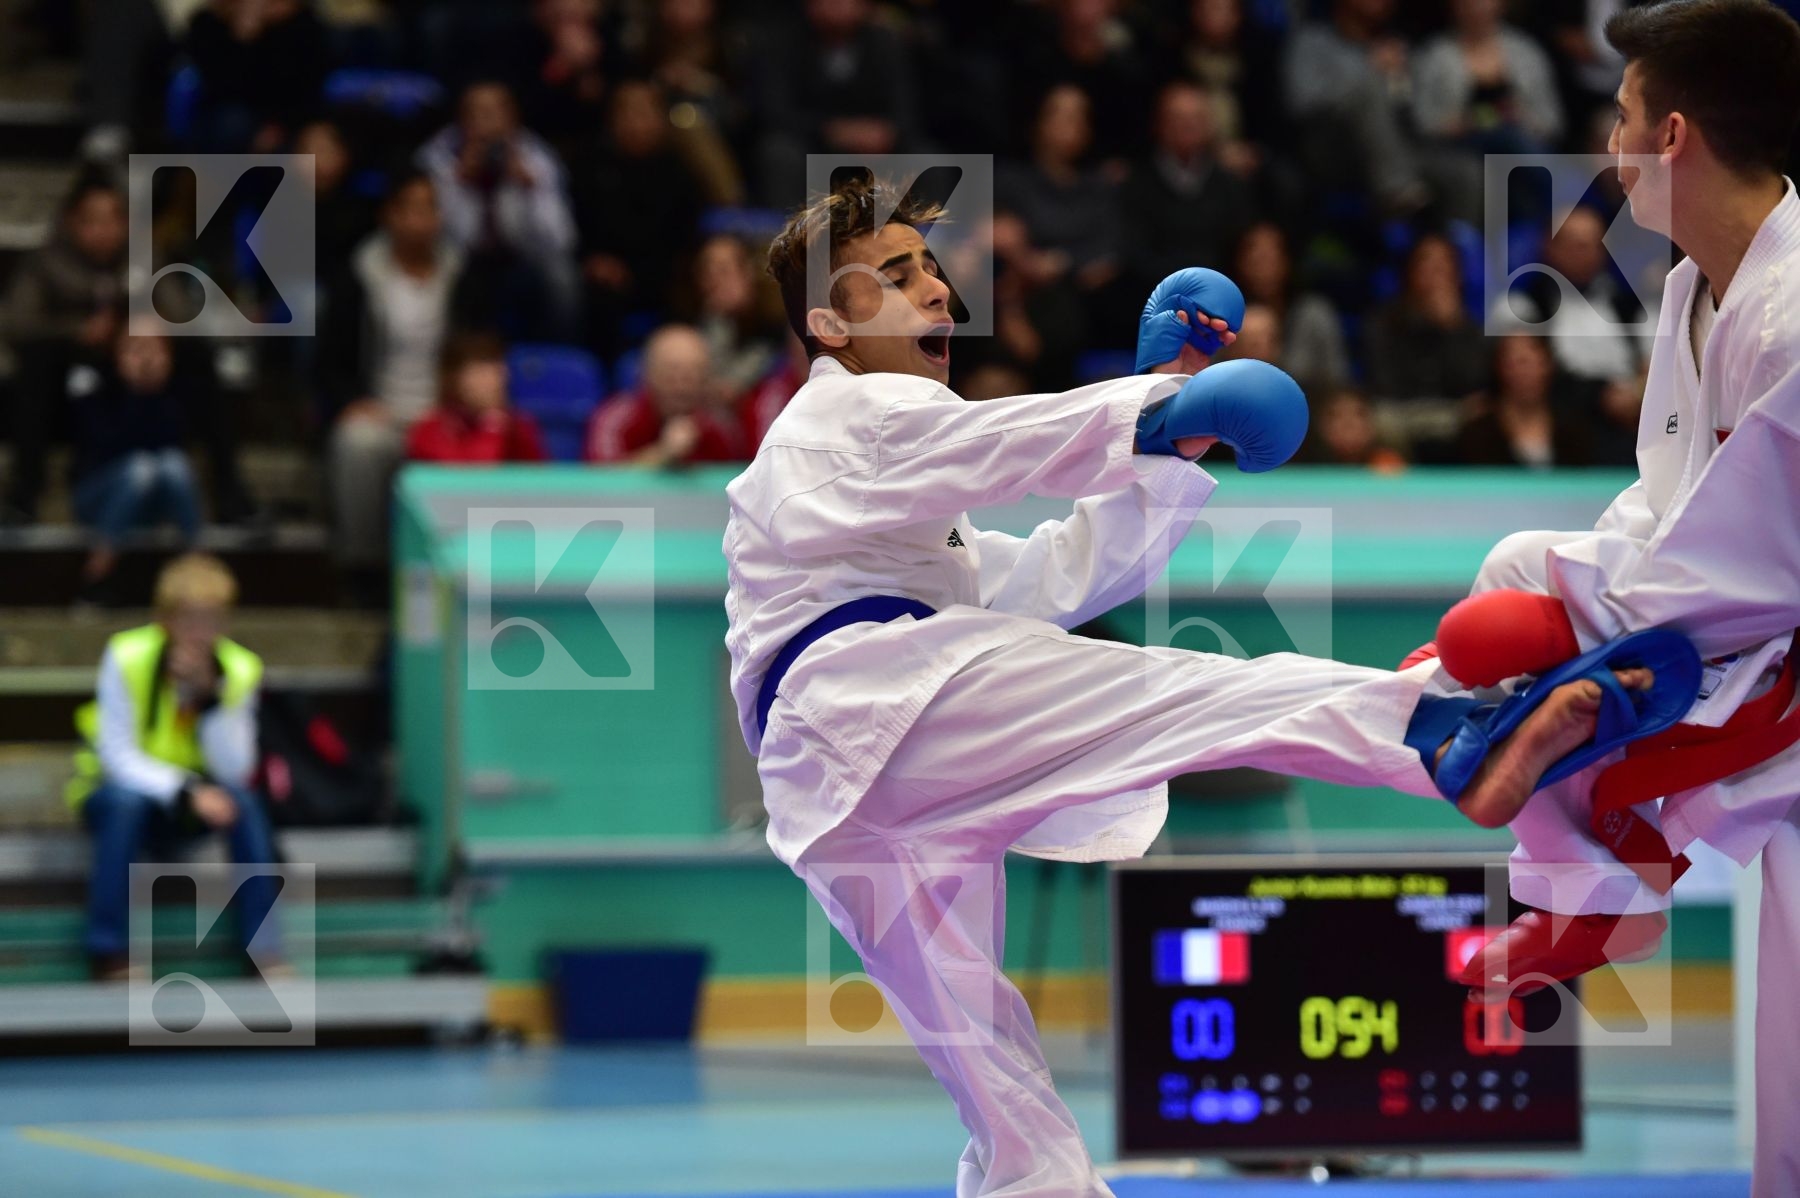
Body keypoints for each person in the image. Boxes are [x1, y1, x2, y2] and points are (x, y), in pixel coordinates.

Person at [727, 176, 1674, 1197]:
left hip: (845, 789)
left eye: (936, 269)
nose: (941, 294)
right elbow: (988, 444)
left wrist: (1161, 423)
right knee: (1190, 694)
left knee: (994, 1076)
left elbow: (1063, 574)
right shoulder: (842, 418)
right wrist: (1161, 410)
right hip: (869, 700)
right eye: (898, 274)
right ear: (827, 320)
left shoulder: (906, 521)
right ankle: (1449, 726)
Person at [1419, 6, 1800, 1193]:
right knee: (1513, 584)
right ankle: (1591, 889)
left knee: (1517, 624)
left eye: (1622, 119)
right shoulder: (1696, 289)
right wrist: (1565, 594)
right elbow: (1664, 507)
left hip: (1769, 641)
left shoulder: (1794, 314)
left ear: (1672, 135)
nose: (1611, 146)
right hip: (1746, 643)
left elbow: (1755, 563)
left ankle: (1605, 875)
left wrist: (1567, 619)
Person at [66, 554, 279, 981]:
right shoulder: (127, 655)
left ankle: (265, 950)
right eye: (190, 620)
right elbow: (117, 755)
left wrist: (211, 700)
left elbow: (237, 768)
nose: (201, 633)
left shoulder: (239, 668)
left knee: (245, 802)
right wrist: (186, 790)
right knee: (125, 803)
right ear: (164, 620)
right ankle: (109, 950)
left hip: (191, 806)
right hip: (118, 797)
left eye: (213, 620)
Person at [319, 172, 481, 587]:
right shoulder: (360, 274)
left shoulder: (462, 274)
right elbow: (330, 357)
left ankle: (467, 571)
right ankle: (365, 571)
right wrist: (352, 399)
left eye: (428, 209)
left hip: (446, 410)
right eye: (408, 209)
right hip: (383, 408)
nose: (419, 220)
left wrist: (463, 400)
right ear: (388, 216)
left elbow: (479, 348)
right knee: (357, 443)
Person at [2, 175, 126, 524]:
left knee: (193, 360)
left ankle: (227, 487)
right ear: (72, 221)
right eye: (92, 220)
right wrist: (77, 330)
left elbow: (177, 313)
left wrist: (130, 332)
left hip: (127, 380)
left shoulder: (144, 260)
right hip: (57, 391)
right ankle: (26, 490)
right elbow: (16, 324)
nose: (103, 230)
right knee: (35, 362)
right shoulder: (45, 262)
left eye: (112, 219)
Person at [416, 80, 580, 340]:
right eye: (477, 112)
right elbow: (433, 236)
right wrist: (458, 184)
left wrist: (530, 188)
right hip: (459, 261)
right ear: (461, 118)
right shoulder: (437, 158)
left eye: (494, 112)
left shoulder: (536, 156)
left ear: (513, 117)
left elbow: (562, 239)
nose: (486, 121)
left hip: (519, 261)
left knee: (560, 275)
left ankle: (555, 358)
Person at [70, 321, 207, 607]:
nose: (144, 358)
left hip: (154, 498)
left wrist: (153, 392)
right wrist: (133, 391)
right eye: (135, 348)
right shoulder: (95, 383)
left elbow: (175, 439)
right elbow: (103, 443)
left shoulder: (177, 389)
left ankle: (199, 571)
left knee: (174, 464)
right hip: (97, 495)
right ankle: (96, 574)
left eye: (153, 348)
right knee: (139, 467)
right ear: (116, 352)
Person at [585, 325, 742, 465]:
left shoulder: (719, 426)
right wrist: (663, 453)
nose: (682, 387)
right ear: (648, 374)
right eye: (671, 373)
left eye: (693, 375)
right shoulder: (613, 420)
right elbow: (600, 484)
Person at [1454, 334, 1596, 468]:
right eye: (1516, 363)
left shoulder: (1574, 429)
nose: (1524, 372)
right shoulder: (1479, 433)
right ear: (1499, 368)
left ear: (1548, 366)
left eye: (1533, 363)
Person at [406, 332, 546, 465]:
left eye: (497, 372)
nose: (493, 381)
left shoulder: (520, 427)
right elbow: (469, 478)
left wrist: (502, 428)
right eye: (481, 372)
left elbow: (538, 480)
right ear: (454, 378)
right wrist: (492, 429)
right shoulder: (429, 430)